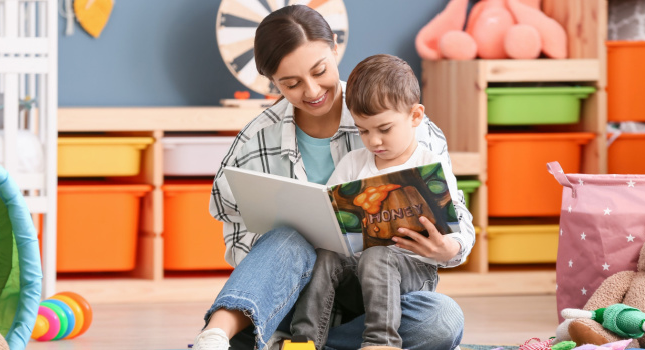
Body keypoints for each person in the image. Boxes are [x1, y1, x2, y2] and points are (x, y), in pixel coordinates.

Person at [194, 5, 475, 350]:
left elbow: (456, 216)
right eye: (291, 83)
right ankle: (217, 335)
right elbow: (236, 234)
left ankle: (280, 342)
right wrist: (290, 255)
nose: (312, 91)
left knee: (441, 320)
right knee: (287, 238)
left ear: (335, 50)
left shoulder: (409, 125)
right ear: (273, 82)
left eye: (320, 71)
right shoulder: (256, 140)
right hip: (296, 295)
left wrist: (448, 249)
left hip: (381, 303)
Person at [289, 54, 471, 350]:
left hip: (412, 276)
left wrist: (449, 247)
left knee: (381, 258)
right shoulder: (353, 164)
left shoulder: (430, 165)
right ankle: (303, 342)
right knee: (326, 255)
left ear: (415, 116)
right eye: (363, 130)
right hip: (357, 281)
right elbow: (328, 215)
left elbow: (458, 225)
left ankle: (381, 342)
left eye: (384, 129)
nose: (373, 141)